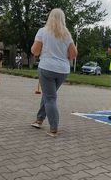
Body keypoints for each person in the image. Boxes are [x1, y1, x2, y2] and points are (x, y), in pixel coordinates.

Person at [30, 8, 77, 137]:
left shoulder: (43, 32)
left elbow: (35, 51)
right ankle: (39, 119)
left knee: (50, 98)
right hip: (62, 70)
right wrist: (62, 58)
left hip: (46, 68)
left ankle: (54, 128)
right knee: (48, 94)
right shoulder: (66, 35)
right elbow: (73, 54)